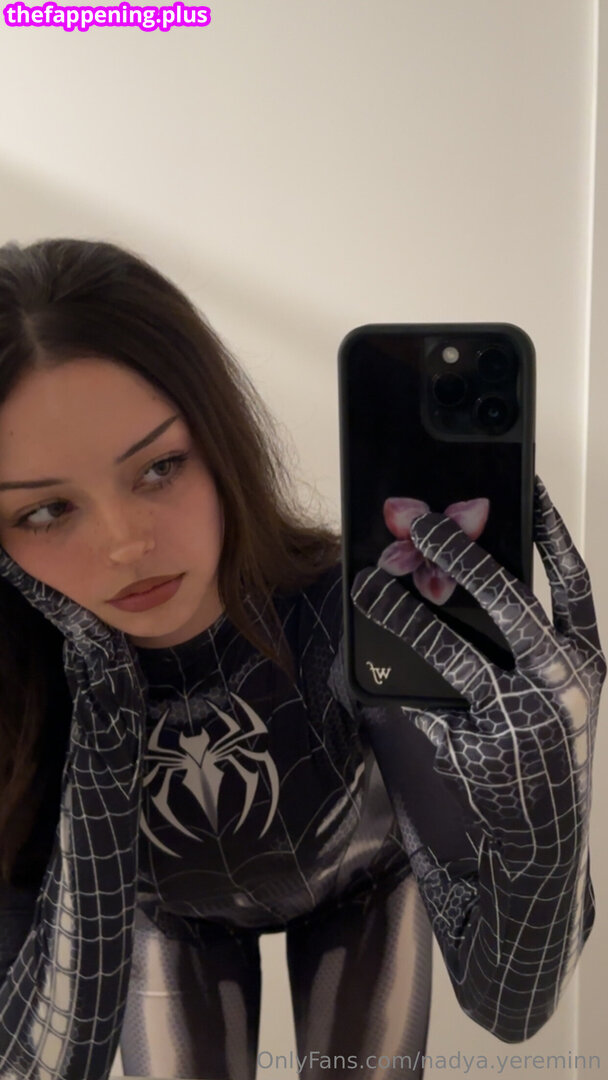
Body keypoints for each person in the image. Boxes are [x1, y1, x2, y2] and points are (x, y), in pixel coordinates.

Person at [0, 238, 602, 1080]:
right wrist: (100, 719)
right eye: (45, 511)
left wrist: (548, 807)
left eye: (161, 467)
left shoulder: (348, 618)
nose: (126, 544)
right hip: (167, 912)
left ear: (221, 437)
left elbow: (510, 1006)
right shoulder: (25, 699)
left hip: (363, 881)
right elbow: (44, 1066)